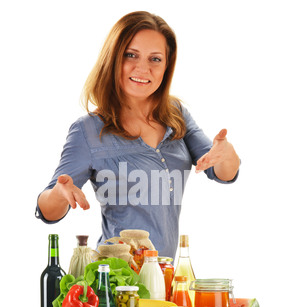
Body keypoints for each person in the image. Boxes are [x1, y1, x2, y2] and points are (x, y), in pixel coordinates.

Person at [36, 11, 240, 260]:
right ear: (113, 58)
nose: (143, 68)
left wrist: (228, 154)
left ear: (167, 66)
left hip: (162, 276)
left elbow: (221, 171)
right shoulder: (87, 130)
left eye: (155, 59)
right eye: (130, 55)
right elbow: (48, 211)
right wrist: (59, 193)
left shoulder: (177, 115)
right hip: (114, 279)